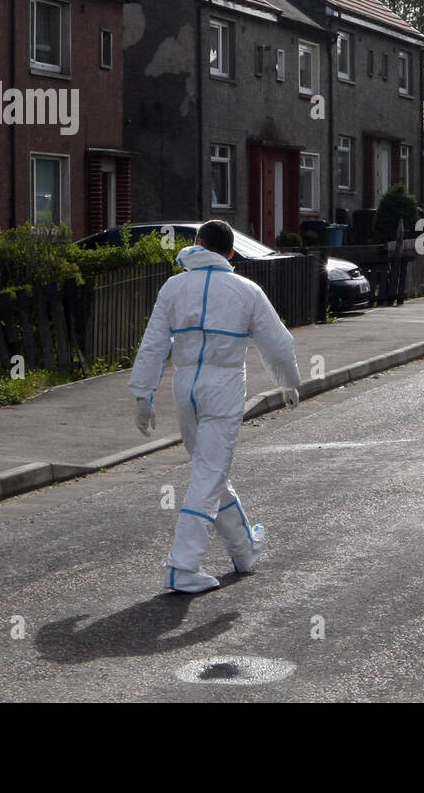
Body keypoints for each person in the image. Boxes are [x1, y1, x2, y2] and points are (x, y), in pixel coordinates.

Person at [129, 220, 301, 593]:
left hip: (185, 387)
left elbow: (154, 343)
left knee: (210, 470)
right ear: (231, 253)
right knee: (209, 474)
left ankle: (244, 549)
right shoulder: (246, 290)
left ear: (198, 243)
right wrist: (288, 382)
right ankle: (183, 566)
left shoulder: (173, 287)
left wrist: (143, 395)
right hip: (224, 386)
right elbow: (279, 345)